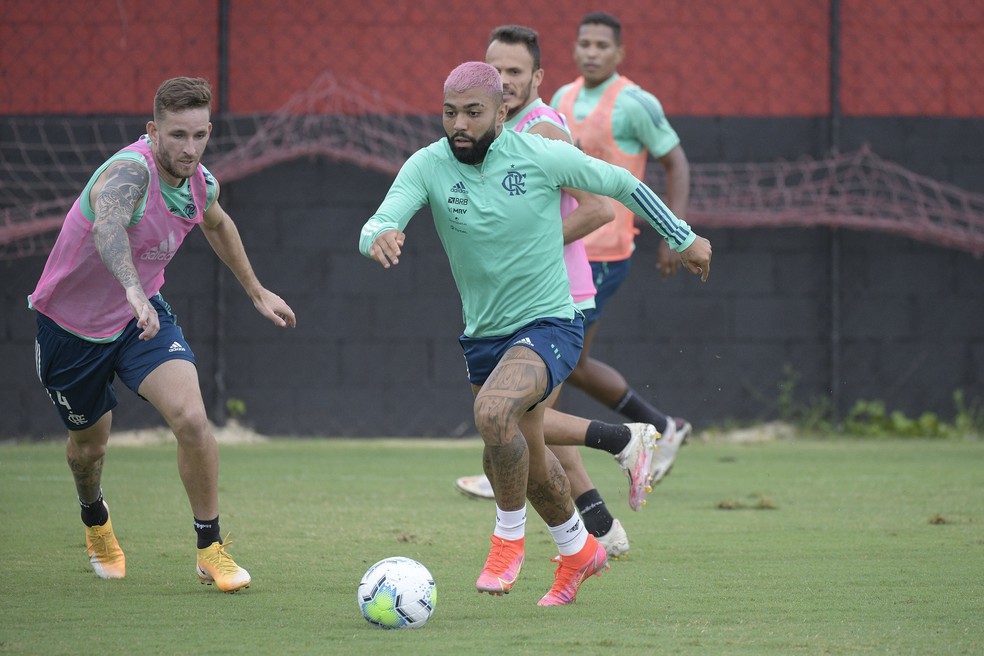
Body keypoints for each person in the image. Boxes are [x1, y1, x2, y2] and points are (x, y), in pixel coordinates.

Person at [360, 61, 711, 606]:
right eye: (450, 112)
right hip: (483, 335)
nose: (459, 123)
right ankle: (580, 553)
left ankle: (507, 540)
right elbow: (380, 219)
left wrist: (683, 236)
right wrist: (380, 235)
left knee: (495, 415)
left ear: (502, 112)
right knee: (521, 452)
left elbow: (621, 183)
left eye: (473, 112)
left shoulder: (538, 154)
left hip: (552, 320)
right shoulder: (427, 165)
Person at [29, 77, 296, 593]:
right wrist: (129, 286)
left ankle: (210, 547)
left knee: (192, 418)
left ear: (209, 131)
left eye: (199, 135)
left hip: (141, 319)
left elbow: (217, 224)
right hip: (71, 331)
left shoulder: (201, 181)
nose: (189, 147)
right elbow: (108, 226)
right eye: (177, 135)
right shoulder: (130, 172)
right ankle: (95, 518)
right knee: (88, 451)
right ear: (153, 131)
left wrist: (257, 291)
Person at [454, 24, 677, 561]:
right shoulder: (489, 128)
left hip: (556, 299)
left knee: (513, 419)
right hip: (517, 301)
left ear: (537, 78)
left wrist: (523, 250)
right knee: (532, 430)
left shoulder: (545, 130)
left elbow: (600, 208)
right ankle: (603, 530)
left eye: (514, 72)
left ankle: (624, 442)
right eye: (495, 70)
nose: (503, 81)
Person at [550, 12, 693, 467]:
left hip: (606, 254)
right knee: (568, 364)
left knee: (552, 357)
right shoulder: (561, 97)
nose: (591, 52)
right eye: (584, 43)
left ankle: (514, 459)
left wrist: (673, 233)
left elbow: (677, 164)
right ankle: (663, 428)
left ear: (619, 52)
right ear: (574, 48)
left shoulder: (635, 103)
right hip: (565, 248)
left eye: (601, 45)